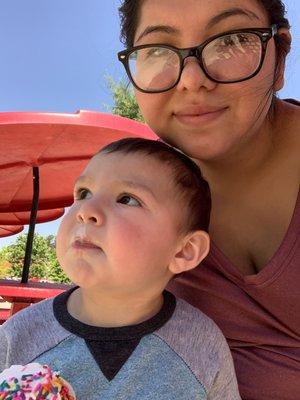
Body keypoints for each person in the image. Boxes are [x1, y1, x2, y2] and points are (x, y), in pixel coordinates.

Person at [117, 1, 300, 399]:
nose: (192, 80)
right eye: (159, 50)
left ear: (280, 58)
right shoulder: (132, 206)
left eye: (232, 40)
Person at [0, 138, 241, 400]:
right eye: (83, 193)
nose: (86, 210)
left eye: (127, 199)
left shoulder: (201, 346)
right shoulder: (19, 337)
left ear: (184, 251)